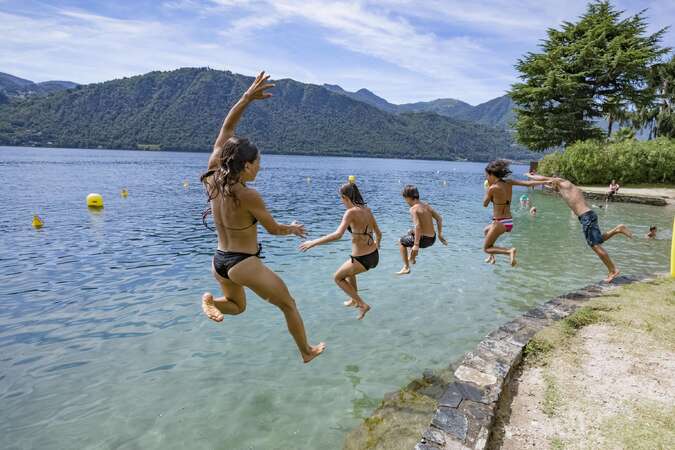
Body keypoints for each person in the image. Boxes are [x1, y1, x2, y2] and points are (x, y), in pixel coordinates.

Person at [200, 71, 325, 364]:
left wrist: (246, 98)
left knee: (236, 306)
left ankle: (210, 300)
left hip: (219, 261)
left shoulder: (211, 177)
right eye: (258, 163)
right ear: (245, 165)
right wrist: (292, 229)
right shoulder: (248, 195)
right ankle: (306, 352)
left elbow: (226, 128)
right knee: (289, 305)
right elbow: (272, 230)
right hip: (243, 263)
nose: (259, 168)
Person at [527, 173, 633, 283]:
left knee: (595, 245)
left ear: (556, 180)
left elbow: (544, 179)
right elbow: (549, 184)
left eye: (552, 183)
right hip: (588, 215)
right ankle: (618, 229)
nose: (551, 186)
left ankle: (613, 269)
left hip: (586, 217)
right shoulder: (568, 188)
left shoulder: (563, 183)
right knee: (598, 240)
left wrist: (530, 175)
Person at [299, 182, 382, 320]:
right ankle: (354, 299)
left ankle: (362, 304)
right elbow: (379, 233)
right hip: (373, 256)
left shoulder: (350, 213)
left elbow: (338, 235)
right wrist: (376, 245)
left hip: (363, 259)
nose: (341, 201)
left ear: (344, 197)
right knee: (349, 268)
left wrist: (313, 243)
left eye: (341, 198)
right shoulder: (367, 210)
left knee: (337, 277)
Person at [483, 160, 549, 266]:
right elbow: (528, 183)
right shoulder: (508, 182)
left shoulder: (492, 188)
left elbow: (485, 204)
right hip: (509, 221)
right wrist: (545, 181)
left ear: (491, 174)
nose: (486, 178)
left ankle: (509, 251)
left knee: (486, 248)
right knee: (486, 231)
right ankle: (492, 257)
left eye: (487, 175)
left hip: (499, 222)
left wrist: (488, 190)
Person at [396, 185, 447, 275]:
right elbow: (439, 219)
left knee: (401, 241)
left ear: (408, 197)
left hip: (424, 240)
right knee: (410, 232)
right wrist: (439, 235)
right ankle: (412, 258)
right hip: (433, 238)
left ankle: (406, 267)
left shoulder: (413, 209)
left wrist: (416, 245)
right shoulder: (426, 205)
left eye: (405, 199)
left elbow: (418, 226)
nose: (405, 201)